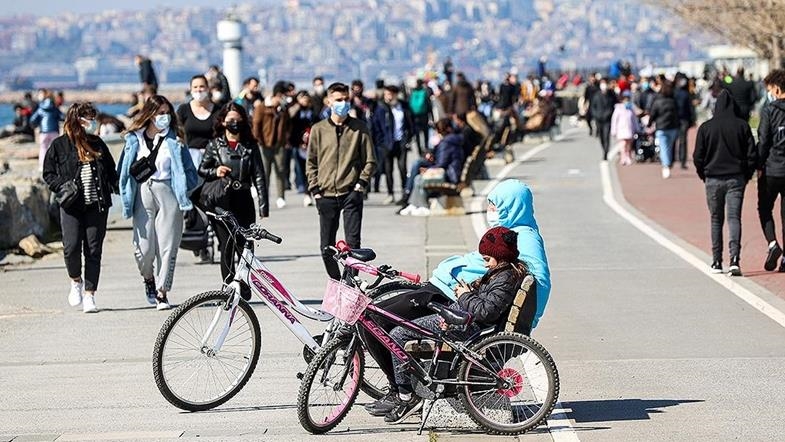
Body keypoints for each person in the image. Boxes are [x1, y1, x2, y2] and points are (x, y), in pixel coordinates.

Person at [363, 179, 551, 416]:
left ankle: (401, 392)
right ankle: (403, 388)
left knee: (377, 320)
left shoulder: (522, 239)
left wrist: (523, 319)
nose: (491, 209)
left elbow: (531, 282)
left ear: (513, 205)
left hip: (456, 303)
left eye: (496, 204)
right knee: (376, 317)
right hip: (453, 295)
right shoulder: (508, 232)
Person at [381, 226, 528, 424]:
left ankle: (406, 396)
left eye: (487, 259)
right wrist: (469, 291)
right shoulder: (503, 273)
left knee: (398, 334)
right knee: (404, 328)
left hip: (466, 326)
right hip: (462, 318)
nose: (485, 265)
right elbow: (486, 303)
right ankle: (412, 389)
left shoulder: (504, 277)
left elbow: (486, 312)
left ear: (500, 256)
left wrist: (464, 295)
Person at [118, 95, 198, 310]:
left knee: (168, 246)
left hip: (169, 192)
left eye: (167, 113)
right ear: (150, 114)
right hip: (143, 192)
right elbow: (123, 171)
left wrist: (183, 188)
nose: (164, 117)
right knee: (144, 249)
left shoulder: (176, 139)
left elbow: (190, 172)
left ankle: (162, 292)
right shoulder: (134, 139)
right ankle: (148, 279)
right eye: (160, 112)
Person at [42, 102, 118, 313]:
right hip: (71, 206)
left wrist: (123, 187)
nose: (93, 123)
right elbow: (48, 173)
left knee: (93, 250)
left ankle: (90, 295)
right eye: (88, 118)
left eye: (93, 118)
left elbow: (112, 172)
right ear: (77, 120)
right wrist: (61, 186)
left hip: (97, 205)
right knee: (71, 247)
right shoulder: (59, 145)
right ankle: (76, 280)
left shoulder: (98, 144)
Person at [306, 82, 376, 280]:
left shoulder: (359, 129)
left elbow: (370, 161)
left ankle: (349, 282)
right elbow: (311, 161)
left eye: (346, 99)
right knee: (326, 246)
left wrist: (360, 185)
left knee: (353, 244)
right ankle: (336, 281)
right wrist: (315, 190)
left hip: (350, 193)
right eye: (338, 100)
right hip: (325, 194)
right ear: (329, 102)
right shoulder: (319, 129)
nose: (343, 103)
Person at [199, 102, 269, 285]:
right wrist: (216, 171)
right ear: (222, 122)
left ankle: (245, 283)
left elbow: (259, 176)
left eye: (238, 120)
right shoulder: (215, 145)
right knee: (227, 245)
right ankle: (229, 286)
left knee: (245, 244)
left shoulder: (250, 146)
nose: (234, 123)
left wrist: (263, 206)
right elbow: (202, 169)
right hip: (223, 201)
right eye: (231, 120)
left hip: (244, 199)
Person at [693, 90, 756, 276]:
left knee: (715, 219)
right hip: (736, 178)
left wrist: (703, 174)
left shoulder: (706, 128)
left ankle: (716, 260)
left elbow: (698, 156)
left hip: (713, 178)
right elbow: (752, 155)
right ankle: (735, 259)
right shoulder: (742, 126)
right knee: (734, 218)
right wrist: (746, 175)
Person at [398, 118, 464, 216]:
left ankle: (417, 203)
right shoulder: (452, 140)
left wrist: (428, 169)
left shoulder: (446, 142)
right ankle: (413, 203)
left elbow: (442, 164)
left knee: (418, 176)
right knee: (418, 169)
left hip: (448, 176)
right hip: (452, 172)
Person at [757, 69, 785, 272]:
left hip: (772, 168)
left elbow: (764, 140)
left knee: (765, 208)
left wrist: (758, 165)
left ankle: (773, 244)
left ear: (776, 88)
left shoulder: (769, 111)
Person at [371, 85, 414, 205]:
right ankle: (391, 194)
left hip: (401, 142)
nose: (388, 97)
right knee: (388, 170)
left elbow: (410, 123)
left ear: (396, 95)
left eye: (390, 94)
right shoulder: (381, 108)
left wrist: (409, 138)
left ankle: (405, 193)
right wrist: (380, 142)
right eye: (386, 94)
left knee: (402, 168)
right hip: (387, 144)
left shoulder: (403, 106)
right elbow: (376, 126)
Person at [253, 81, 291, 209]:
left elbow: (287, 126)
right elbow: (256, 125)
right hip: (264, 145)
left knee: (280, 170)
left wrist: (285, 140)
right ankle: (264, 197)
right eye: (283, 96)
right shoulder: (262, 108)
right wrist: (257, 140)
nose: (284, 99)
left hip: (278, 145)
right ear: (278, 95)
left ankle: (281, 197)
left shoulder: (283, 109)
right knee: (264, 173)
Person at [177, 75, 220, 169]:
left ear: (208, 88)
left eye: (202, 86)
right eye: (195, 87)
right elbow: (176, 131)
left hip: (212, 158)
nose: (199, 90)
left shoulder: (218, 110)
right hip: (189, 158)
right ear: (191, 89)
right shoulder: (183, 109)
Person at [288, 91, 317, 205]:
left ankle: (308, 191)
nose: (304, 100)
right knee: (300, 169)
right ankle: (303, 188)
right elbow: (289, 122)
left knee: (310, 170)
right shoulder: (295, 111)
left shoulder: (313, 112)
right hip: (298, 144)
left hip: (311, 145)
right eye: (302, 98)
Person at [647, 81, 680, 179]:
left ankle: (666, 166)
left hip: (661, 128)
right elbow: (678, 114)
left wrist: (649, 123)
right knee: (670, 146)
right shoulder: (673, 102)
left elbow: (653, 114)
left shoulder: (657, 102)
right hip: (673, 128)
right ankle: (669, 162)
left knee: (664, 148)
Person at [30, 88, 63, 171]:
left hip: (43, 132)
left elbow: (33, 119)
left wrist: (36, 125)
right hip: (54, 131)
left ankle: (42, 166)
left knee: (43, 149)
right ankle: (55, 166)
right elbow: (62, 117)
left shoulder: (40, 108)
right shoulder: (55, 108)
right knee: (55, 149)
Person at [590, 78, 617, 161]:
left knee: (606, 136)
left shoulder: (611, 95)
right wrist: (596, 115)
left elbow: (613, 106)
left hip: (607, 120)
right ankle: (603, 149)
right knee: (601, 136)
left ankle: (606, 152)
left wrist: (608, 114)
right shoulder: (596, 95)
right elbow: (593, 107)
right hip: (598, 119)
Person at [611, 91, 639, 166]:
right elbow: (614, 120)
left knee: (629, 145)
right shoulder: (618, 108)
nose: (626, 101)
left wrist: (637, 128)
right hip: (621, 130)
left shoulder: (631, 109)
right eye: (625, 99)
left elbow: (634, 120)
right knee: (623, 145)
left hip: (630, 129)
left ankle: (628, 157)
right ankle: (623, 158)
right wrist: (613, 130)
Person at [674, 75, 697, 170]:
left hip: (675, 119)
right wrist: (693, 119)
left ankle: (673, 158)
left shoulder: (674, 92)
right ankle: (682, 160)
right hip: (684, 119)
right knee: (683, 140)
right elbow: (691, 108)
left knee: (674, 139)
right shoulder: (687, 94)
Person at [409, 79, 431, 157]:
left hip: (415, 117)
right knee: (426, 133)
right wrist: (431, 116)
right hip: (424, 116)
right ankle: (426, 148)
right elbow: (429, 105)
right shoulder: (424, 92)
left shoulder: (412, 92)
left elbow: (409, 105)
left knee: (417, 134)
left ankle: (419, 150)